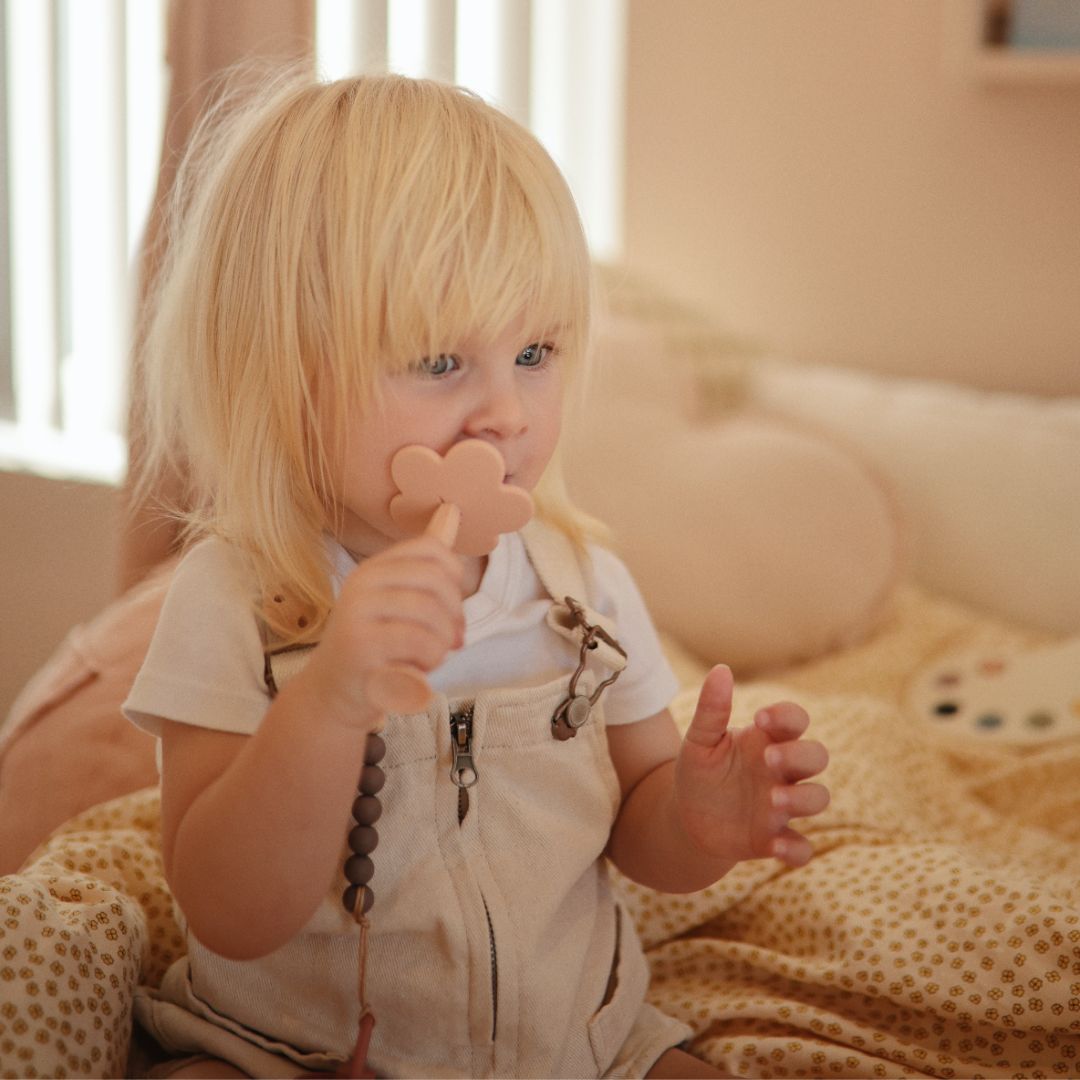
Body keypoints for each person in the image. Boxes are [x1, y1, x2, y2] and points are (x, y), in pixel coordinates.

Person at [124, 71, 830, 1080]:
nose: (508, 412)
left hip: (579, 1045)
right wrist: (328, 699)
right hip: (291, 1053)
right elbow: (231, 916)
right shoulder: (236, 600)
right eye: (442, 363)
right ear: (283, 372)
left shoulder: (578, 586)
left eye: (535, 352)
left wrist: (700, 819)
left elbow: (641, 837)